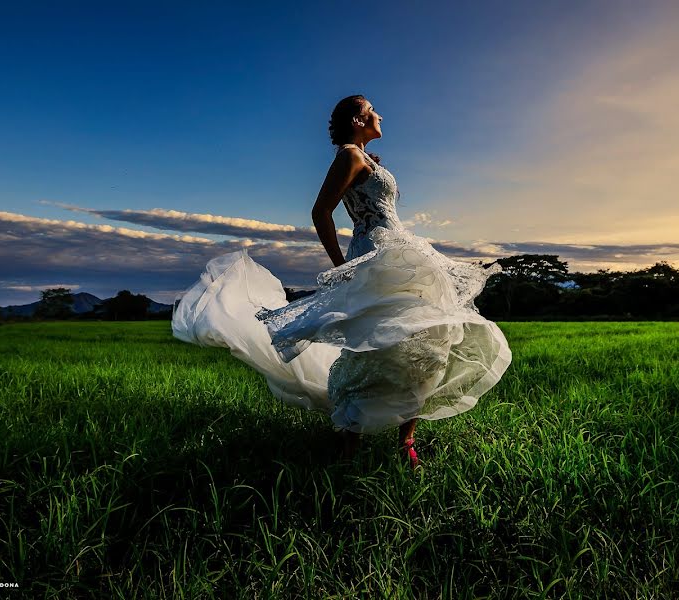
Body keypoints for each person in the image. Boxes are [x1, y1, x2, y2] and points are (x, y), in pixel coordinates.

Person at [172, 95, 512, 469]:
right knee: (375, 344)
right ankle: (350, 448)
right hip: (374, 254)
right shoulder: (349, 155)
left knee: (426, 340)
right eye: (372, 111)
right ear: (356, 119)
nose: (380, 115)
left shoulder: (362, 157)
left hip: (401, 250)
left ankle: (406, 441)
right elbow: (321, 212)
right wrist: (341, 265)